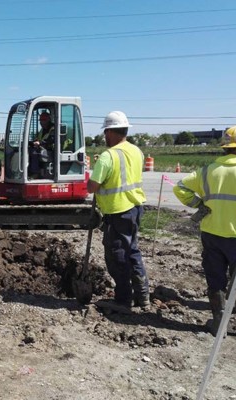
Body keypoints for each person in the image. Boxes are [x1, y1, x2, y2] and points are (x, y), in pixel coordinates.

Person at [173, 126, 236, 338]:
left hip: (211, 234)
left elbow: (180, 187)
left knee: (215, 278)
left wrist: (200, 204)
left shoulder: (207, 171)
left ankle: (218, 324)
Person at [87, 111, 149, 311]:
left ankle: (123, 299)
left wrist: (93, 176)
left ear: (111, 132)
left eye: (106, 132)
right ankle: (142, 295)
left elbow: (92, 187)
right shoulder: (136, 151)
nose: (105, 137)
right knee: (132, 251)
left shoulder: (108, 156)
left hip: (118, 211)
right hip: (135, 208)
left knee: (117, 255)